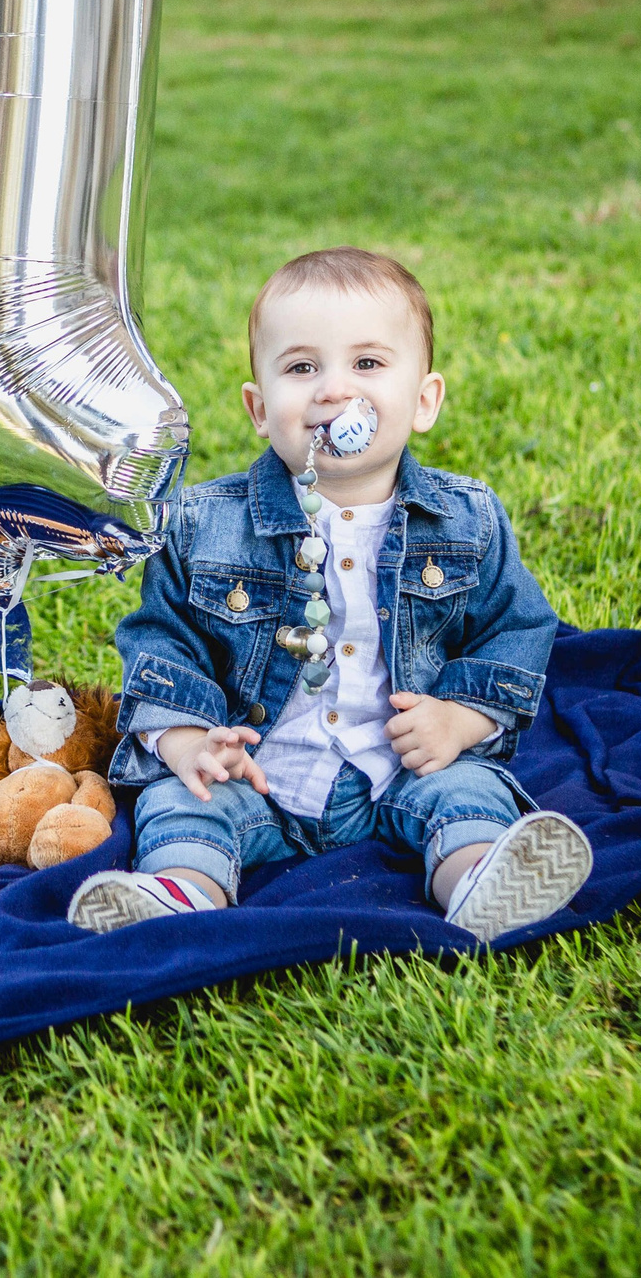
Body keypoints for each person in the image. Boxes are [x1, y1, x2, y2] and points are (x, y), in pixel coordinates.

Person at [67, 247, 591, 943]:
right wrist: (191, 740)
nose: (334, 389)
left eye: (368, 364)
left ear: (424, 399)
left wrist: (461, 720)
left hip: (400, 769)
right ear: (260, 407)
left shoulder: (466, 520)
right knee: (180, 802)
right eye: (302, 367)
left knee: (468, 792)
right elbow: (163, 637)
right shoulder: (203, 525)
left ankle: (477, 877)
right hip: (258, 778)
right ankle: (181, 892)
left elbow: (515, 628)